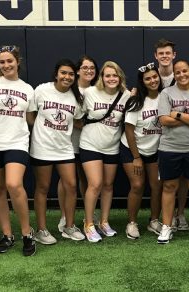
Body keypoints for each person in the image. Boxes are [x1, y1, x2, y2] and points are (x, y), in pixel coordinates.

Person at [0, 45, 36, 256]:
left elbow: (30, 119)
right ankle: (7, 235)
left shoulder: (27, 89)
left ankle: (26, 233)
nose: (6, 65)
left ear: (17, 62)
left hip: (17, 142)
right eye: (2, 62)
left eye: (9, 61)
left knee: (14, 184)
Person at [29, 59, 85, 244]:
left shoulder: (76, 98)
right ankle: (42, 230)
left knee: (71, 185)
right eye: (63, 73)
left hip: (64, 148)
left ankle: (69, 227)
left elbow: (77, 121)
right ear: (56, 74)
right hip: (42, 147)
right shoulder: (42, 90)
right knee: (43, 188)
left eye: (70, 74)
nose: (67, 77)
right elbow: (31, 115)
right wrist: (41, 129)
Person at [156, 60, 189, 244]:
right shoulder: (166, 93)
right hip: (170, 148)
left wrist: (177, 114)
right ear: (174, 74)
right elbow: (163, 119)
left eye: (185, 71)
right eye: (177, 72)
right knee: (169, 187)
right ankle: (166, 227)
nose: (181, 75)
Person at [80, 61, 131, 242]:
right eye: (107, 75)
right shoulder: (90, 93)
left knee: (108, 185)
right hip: (90, 144)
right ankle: (89, 224)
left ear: (120, 78)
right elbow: (79, 117)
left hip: (112, 146)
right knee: (95, 184)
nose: (111, 78)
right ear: (102, 77)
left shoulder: (125, 95)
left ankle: (104, 222)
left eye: (115, 75)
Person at [57, 56, 99, 233]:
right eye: (85, 67)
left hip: (89, 142)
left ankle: (87, 214)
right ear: (78, 71)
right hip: (69, 141)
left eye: (92, 68)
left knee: (86, 179)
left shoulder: (98, 90)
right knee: (66, 180)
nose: (88, 71)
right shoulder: (70, 90)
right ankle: (65, 215)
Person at [121, 62, 163, 239]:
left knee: (157, 186)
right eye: (148, 78)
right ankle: (131, 223)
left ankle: (154, 221)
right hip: (132, 149)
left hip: (155, 150)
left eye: (155, 77)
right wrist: (136, 157)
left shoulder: (166, 97)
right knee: (137, 185)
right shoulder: (136, 100)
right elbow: (129, 130)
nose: (152, 80)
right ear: (142, 81)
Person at [154, 38, 188, 230]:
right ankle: (159, 217)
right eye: (161, 53)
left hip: (178, 134)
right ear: (156, 56)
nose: (165, 56)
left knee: (182, 178)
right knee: (163, 180)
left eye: (168, 53)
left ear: (174, 55)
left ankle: (180, 214)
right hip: (154, 135)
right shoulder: (150, 75)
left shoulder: (182, 75)